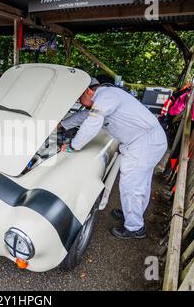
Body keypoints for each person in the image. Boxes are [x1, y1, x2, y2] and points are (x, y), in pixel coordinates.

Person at [59, 77, 167, 239]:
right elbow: (83, 116)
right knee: (141, 184)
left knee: (131, 185)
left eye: (80, 98)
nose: (80, 102)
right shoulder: (106, 98)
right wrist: (61, 125)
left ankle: (134, 227)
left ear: (88, 91)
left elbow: (92, 123)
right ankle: (132, 215)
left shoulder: (106, 96)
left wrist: (73, 146)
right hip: (147, 141)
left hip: (144, 144)